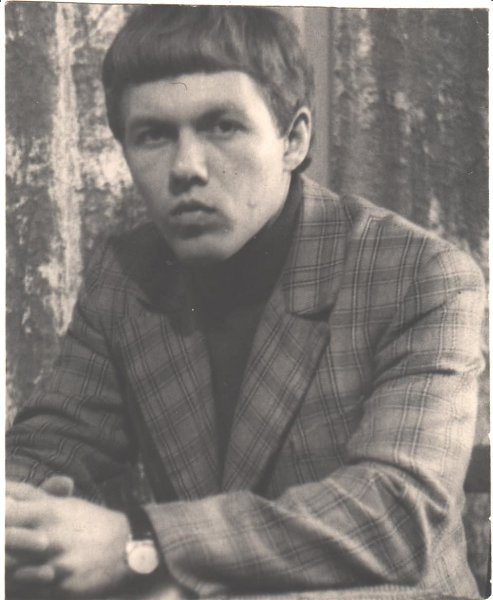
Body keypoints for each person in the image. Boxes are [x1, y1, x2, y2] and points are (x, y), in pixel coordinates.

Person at [5, 6, 486, 599]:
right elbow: (52, 442)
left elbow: (395, 513)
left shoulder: (420, 274)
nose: (186, 168)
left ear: (294, 139)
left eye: (222, 127)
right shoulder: (125, 273)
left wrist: (142, 542)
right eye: (153, 135)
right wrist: (21, 517)